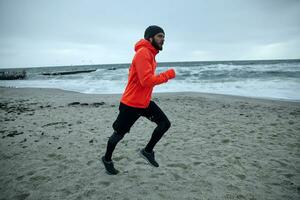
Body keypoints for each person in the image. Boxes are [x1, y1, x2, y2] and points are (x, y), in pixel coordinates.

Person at [102, 25, 176, 175]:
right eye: (160, 36)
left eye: (164, 37)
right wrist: (167, 75)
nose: (163, 40)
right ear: (150, 38)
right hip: (131, 103)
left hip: (144, 102)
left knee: (164, 124)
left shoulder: (151, 55)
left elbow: (144, 80)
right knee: (118, 134)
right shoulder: (143, 53)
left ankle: (147, 151)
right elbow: (146, 81)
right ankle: (107, 159)